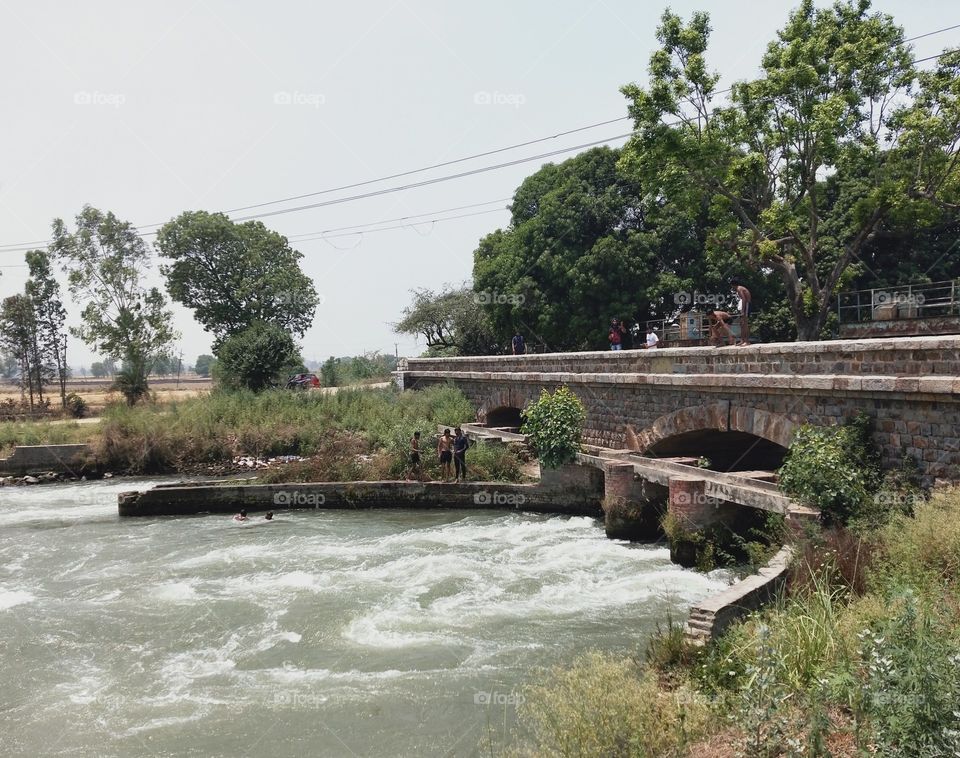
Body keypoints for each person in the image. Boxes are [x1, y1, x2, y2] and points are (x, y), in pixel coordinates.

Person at [732, 280, 752, 345]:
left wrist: (743, 311)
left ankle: (747, 341)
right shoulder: (740, 288)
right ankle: (742, 340)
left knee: (745, 323)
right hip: (744, 305)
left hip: (746, 305)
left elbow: (744, 299)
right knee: (742, 324)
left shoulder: (739, 289)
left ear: (733, 285)